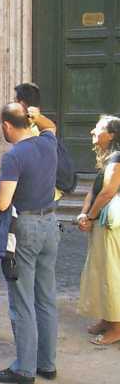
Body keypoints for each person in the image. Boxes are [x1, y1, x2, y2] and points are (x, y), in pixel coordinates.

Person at [0, 103, 59, 384]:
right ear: (27, 122)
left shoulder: (14, 156)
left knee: (22, 300)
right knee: (46, 297)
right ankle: (47, 364)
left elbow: (4, 201)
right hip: (50, 224)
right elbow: (51, 126)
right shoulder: (48, 142)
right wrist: (36, 114)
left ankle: (25, 368)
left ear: (6, 126)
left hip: (25, 228)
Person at [77, 115, 120, 345]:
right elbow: (94, 190)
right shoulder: (107, 158)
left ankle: (117, 327)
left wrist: (90, 216)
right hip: (103, 220)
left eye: (98, 129)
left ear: (111, 135)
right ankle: (107, 318)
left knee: (112, 272)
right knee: (102, 270)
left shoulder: (117, 158)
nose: (92, 132)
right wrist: (84, 214)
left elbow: (108, 192)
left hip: (112, 223)